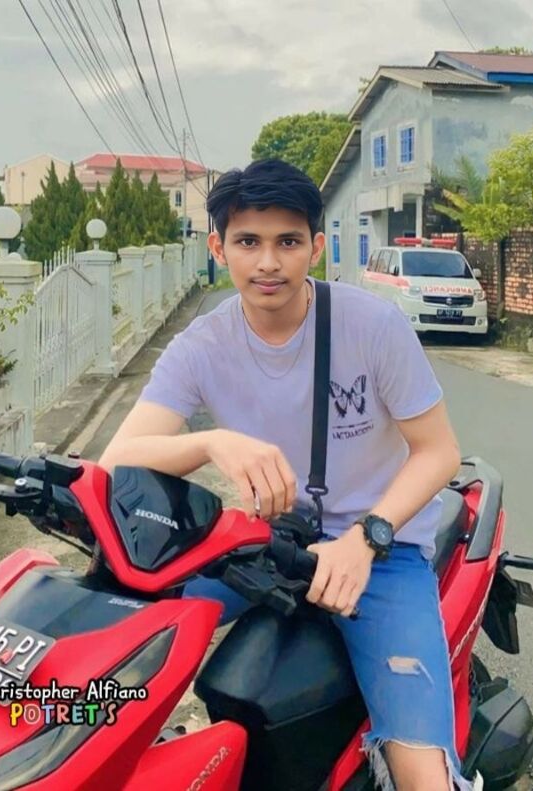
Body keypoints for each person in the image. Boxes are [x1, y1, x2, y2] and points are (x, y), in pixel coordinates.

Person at [98, 159, 471, 791]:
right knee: (117, 636)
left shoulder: (373, 326)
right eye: (248, 241)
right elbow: (117, 460)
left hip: (381, 549)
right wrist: (212, 441)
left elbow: (438, 453)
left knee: (421, 778)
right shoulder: (202, 345)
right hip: (269, 543)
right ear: (218, 248)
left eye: (288, 242)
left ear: (316, 248)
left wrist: (366, 538)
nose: (268, 262)